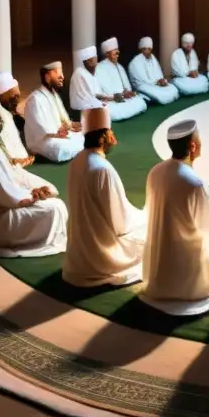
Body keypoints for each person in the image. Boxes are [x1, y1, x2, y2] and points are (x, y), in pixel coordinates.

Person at [140, 120, 209, 315]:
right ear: (193, 146)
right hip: (187, 267)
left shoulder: (156, 171)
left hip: (159, 262)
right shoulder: (193, 182)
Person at [0, 98, 67, 258]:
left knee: (51, 201)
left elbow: (4, 183)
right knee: (56, 208)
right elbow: (8, 198)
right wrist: (34, 195)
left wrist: (30, 188)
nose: (0, 121)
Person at [62, 107, 147, 287]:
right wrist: (144, 217)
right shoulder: (102, 168)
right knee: (153, 232)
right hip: (102, 252)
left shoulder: (78, 160)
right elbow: (120, 222)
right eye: (110, 132)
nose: (113, 137)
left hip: (79, 252)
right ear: (102, 137)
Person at [24, 61, 85, 160]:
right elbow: (41, 129)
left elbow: (63, 121)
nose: (62, 77)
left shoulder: (54, 95)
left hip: (60, 135)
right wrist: (59, 133)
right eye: (57, 73)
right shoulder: (35, 99)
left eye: (62, 74)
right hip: (43, 140)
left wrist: (73, 125)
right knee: (62, 149)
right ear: (47, 77)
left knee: (86, 135)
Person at [95, 38, 148, 121]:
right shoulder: (99, 68)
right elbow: (104, 92)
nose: (118, 52)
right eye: (114, 50)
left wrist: (128, 92)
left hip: (124, 100)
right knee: (110, 112)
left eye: (117, 49)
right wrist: (120, 95)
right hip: (111, 101)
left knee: (140, 101)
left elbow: (127, 87)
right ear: (107, 54)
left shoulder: (120, 67)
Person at [0, 71, 31, 166]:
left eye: (18, 96)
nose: (17, 100)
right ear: (0, 96)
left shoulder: (11, 115)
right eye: (13, 97)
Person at [128, 37, 179, 105]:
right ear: (140, 49)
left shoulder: (153, 58)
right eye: (145, 49)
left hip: (156, 85)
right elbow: (142, 81)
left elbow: (159, 74)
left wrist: (162, 81)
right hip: (143, 86)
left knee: (173, 88)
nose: (147, 51)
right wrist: (157, 82)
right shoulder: (135, 62)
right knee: (159, 94)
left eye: (149, 49)